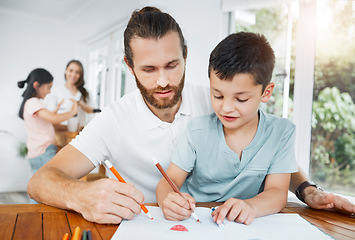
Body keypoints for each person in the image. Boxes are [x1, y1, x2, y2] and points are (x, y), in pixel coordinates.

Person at [27, 7, 355, 224]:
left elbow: (270, 150)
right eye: (148, 69)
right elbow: (41, 180)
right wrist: (78, 195)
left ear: (185, 55)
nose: (163, 81)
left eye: (172, 65)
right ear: (129, 67)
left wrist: (307, 190)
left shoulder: (215, 99)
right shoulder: (114, 120)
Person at [156, 32, 298, 225]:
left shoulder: (282, 132)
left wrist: (252, 207)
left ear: (266, 92)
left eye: (241, 99)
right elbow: (169, 179)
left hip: (245, 226)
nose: (226, 108)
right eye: (218, 96)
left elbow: (277, 192)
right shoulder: (197, 130)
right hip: (197, 222)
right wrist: (168, 199)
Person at [18, 68, 78, 176]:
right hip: (43, 152)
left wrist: (56, 109)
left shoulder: (31, 103)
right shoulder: (33, 102)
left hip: (37, 152)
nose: (49, 91)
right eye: (48, 87)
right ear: (36, 85)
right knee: (50, 184)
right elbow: (54, 119)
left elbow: (46, 119)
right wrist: (73, 112)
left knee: (40, 187)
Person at [44, 60, 100, 132]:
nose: (73, 75)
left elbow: (95, 113)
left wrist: (83, 105)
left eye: (77, 72)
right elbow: (49, 115)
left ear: (81, 75)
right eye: (71, 71)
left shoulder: (86, 93)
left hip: (81, 133)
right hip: (60, 133)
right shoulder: (55, 91)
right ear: (65, 71)